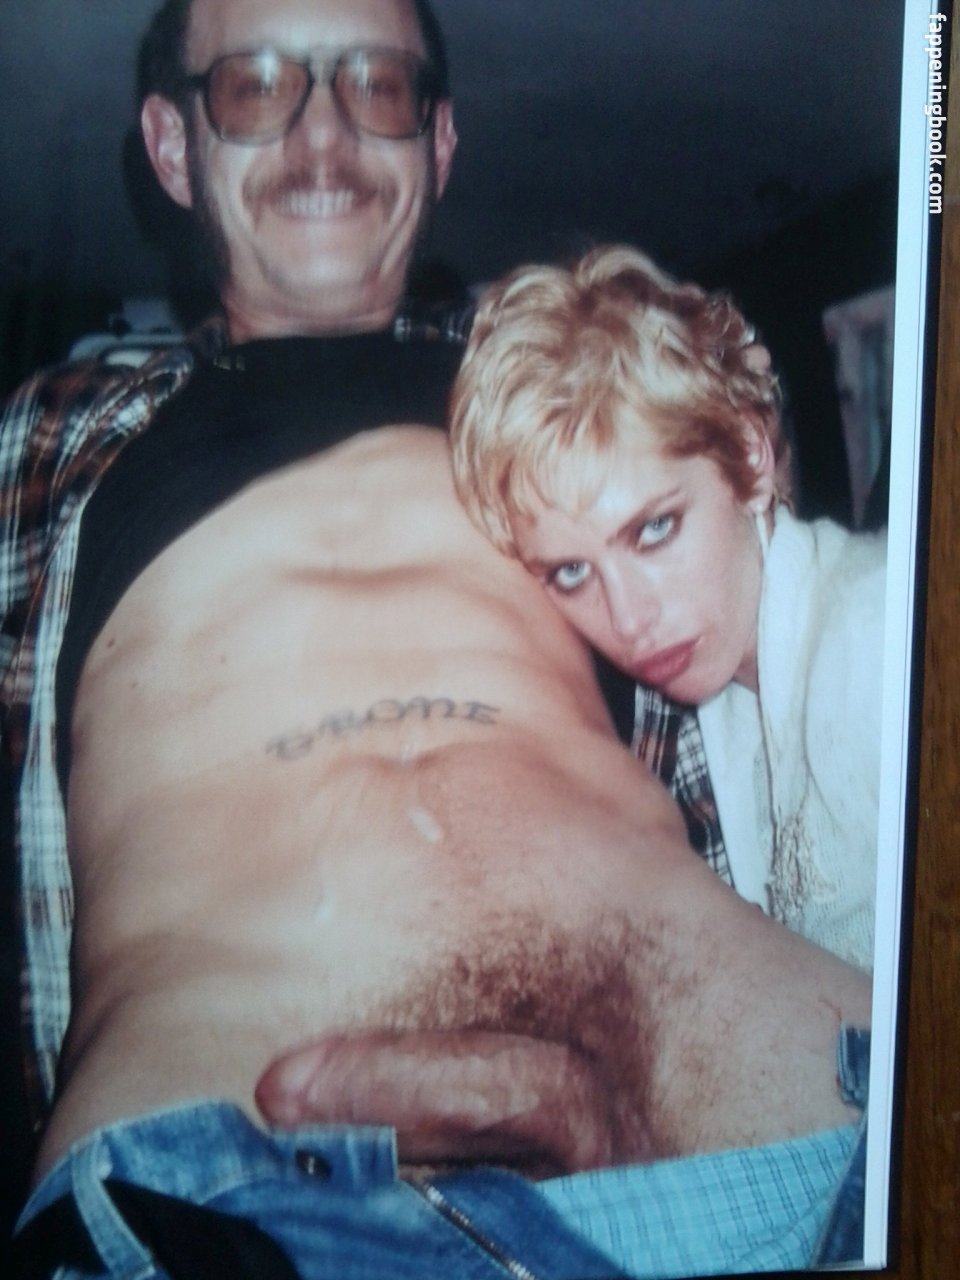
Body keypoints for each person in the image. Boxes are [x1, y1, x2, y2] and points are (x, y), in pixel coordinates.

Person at [2, 1, 871, 1274]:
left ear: (440, 142)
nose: (323, 137)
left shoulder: (558, 386)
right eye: (255, 87)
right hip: (236, 1206)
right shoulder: (54, 438)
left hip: (793, 1141)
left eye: (376, 85)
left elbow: (755, 653)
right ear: (175, 146)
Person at [449, 244, 887, 973]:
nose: (628, 621)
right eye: (571, 572)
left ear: (750, 458)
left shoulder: (882, 640)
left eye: (654, 529)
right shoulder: (717, 715)